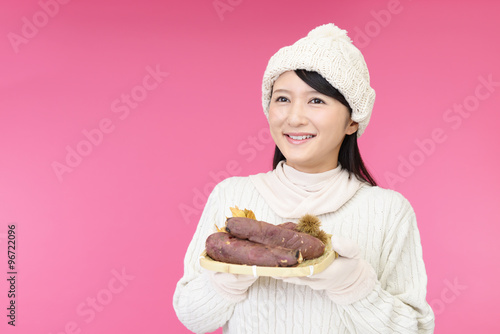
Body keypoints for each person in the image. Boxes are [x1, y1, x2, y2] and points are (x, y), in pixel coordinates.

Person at [173, 23, 435, 333]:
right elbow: (193, 317)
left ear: (352, 120)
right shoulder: (231, 196)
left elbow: (416, 329)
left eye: (316, 101)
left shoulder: (388, 210)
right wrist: (227, 280)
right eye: (282, 99)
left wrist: (356, 286)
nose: (294, 117)